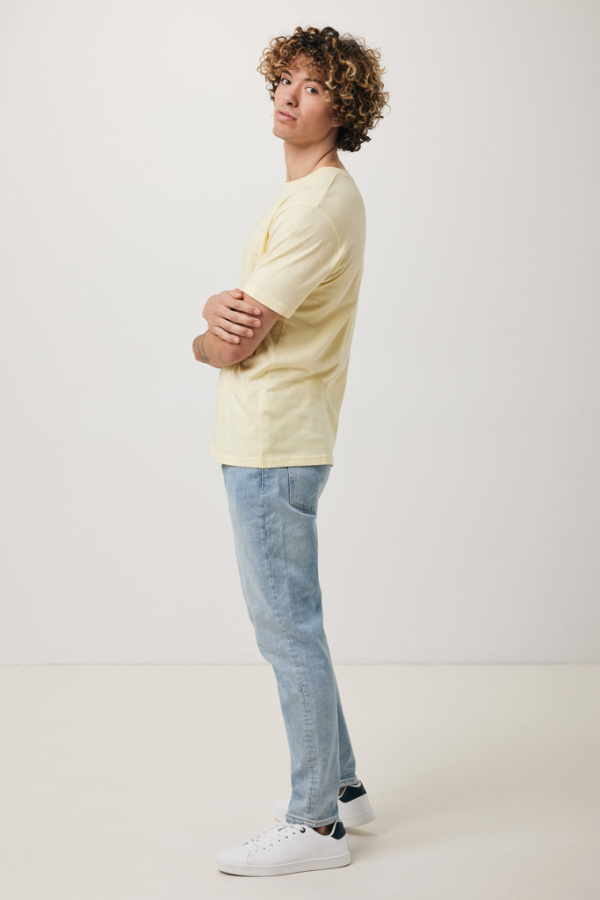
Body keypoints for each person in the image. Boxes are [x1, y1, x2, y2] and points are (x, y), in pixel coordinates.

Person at [192, 24, 389, 877]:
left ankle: (315, 827)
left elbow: (234, 341)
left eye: (312, 88)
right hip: (280, 433)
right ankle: (343, 786)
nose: (289, 97)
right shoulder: (313, 195)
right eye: (286, 81)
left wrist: (202, 334)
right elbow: (238, 318)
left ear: (343, 109)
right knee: (295, 621)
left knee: (287, 631)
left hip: (272, 438)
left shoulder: (316, 205)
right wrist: (218, 309)